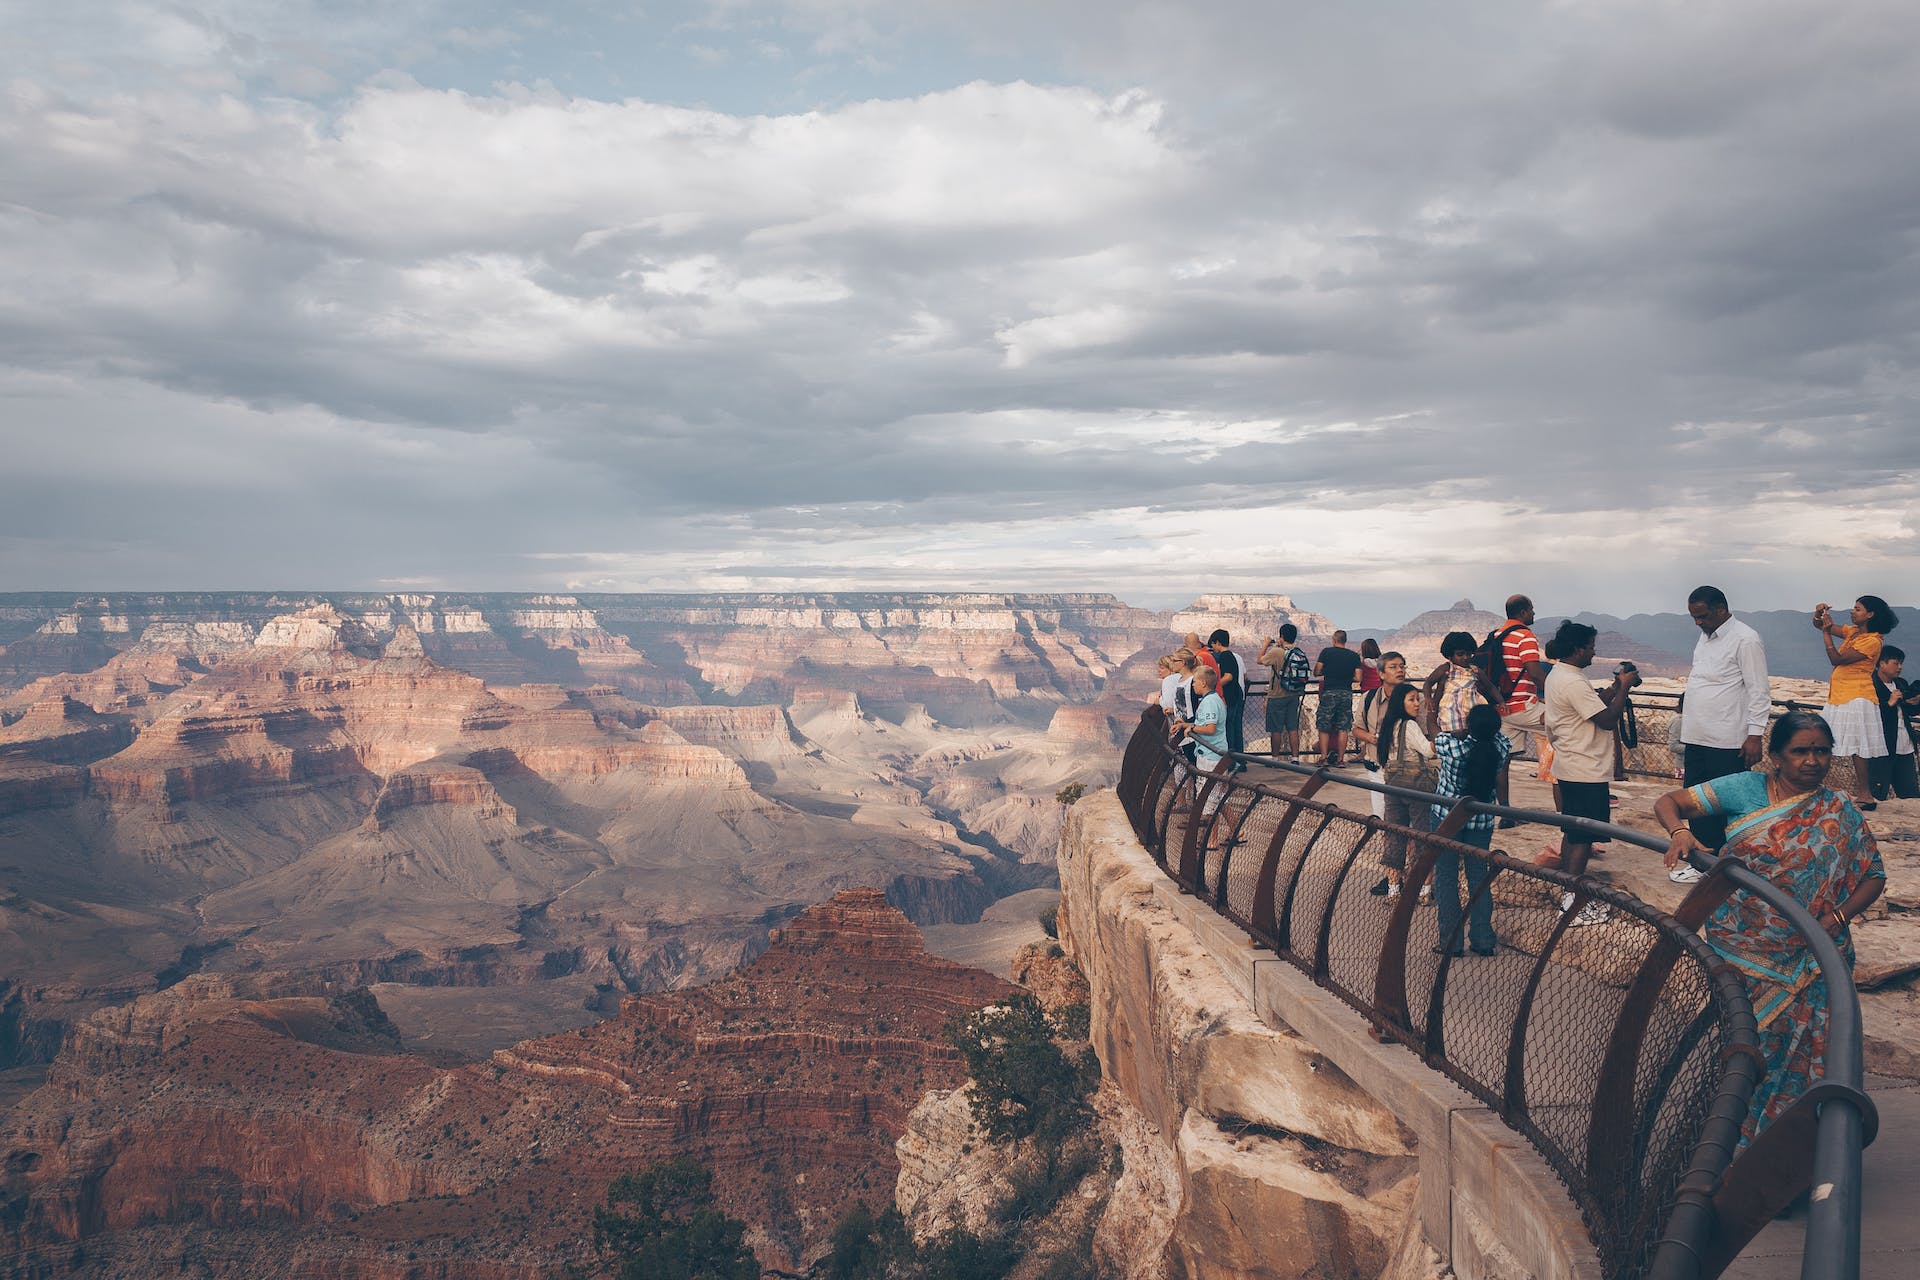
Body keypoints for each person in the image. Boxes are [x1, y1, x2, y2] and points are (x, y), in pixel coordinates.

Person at [1651, 710, 1886, 1142]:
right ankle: (1727, 1151)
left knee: (1808, 1057)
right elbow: (1669, 801)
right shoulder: (1744, 788)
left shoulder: (1839, 809)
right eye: (1800, 751)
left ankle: (1790, 1159)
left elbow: (1874, 874)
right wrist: (1679, 832)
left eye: (1821, 750)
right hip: (1742, 951)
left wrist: (1836, 917)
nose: (1813, 760)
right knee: (1744, 1052)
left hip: (1812, 957)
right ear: (1776, 756)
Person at [1542, 621, 1640, 926]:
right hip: (1585, 768)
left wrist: (1612, 689)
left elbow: (1589, 708)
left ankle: (1567, 898)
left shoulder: (1561, 674)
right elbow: (1608, 721)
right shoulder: (1573, 681)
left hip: (1571, 765)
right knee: (1583, 838)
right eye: (1591, 647)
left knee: (1573, 833)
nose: (1594, 653)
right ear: (1578, 649)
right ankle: (1572, 906)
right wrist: (1623, 688)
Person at [1673, 585, 1771, 879]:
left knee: (1724, 804)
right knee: (1696, 802)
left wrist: (1755, 734)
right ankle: (1701, 864)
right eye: (1693, 617)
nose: (1698, 623)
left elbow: (1758, 690)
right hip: (1696, 736)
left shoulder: (1745, 639)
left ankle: (1725, 868)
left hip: (1727, 739)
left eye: (1702, 616)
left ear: (1720, 609)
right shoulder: (1704, 639)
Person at [1429, 702, 1510, 956]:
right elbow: (1497, 746)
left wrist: (1452, 729)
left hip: (1447, 817)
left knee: (1446, 878)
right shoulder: (1502, 745)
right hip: (1482, 819)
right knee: (1479, 878)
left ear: (1468, 726)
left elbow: (1435, 734)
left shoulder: (1451, 746)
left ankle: (1450, 942)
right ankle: (1483, 939)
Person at [1815, 596, 1900, 809]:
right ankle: (1826, 789)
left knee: (1858, 748)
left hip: (1857, 696)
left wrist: (1826, 633)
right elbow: (1820, 625)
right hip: (1841, 695)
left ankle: (1865, 795)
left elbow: (1836, 659)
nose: (1853, 611)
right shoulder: (1853, 633)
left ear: (1870, 614)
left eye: (1857, 609)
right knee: (1832, 743)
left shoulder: (1872, 641)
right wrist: (1820, 616)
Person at [1369, 681, 1436, 899]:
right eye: (1412, 699)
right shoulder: (1410, 726)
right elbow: (1428, 752)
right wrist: (1440, 739)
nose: (1417, 704)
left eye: (1418, 699)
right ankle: (1423, 890)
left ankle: (1393, 889)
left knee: (1395, 836)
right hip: (1416, 788)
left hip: (1393, 787)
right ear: (1401, 702)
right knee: (1421, 836)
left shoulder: (1388, 726)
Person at [1489, 596, 1550, 821]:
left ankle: (1505, 813)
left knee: (1503, 762)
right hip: (1523, 706)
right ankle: (1570, 809)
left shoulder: (1497, 635)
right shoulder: (1524, 635)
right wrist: (1557, 696)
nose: (1534, 614)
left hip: (1502, 708)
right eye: (1532, 610)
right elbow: (1534, 672)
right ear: (1523, 612)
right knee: (1569, 728)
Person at [1870, 645, 1920, 800]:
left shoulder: (1901, 683)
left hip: (1905, 748)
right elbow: (1869, 714)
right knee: (1877, 795)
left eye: (1901, 663)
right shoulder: (1870, 685)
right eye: (1896, 663)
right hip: (1882, 749)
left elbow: (1909, 712)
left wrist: (1915, 703)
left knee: (1910, 795)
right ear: (1882, 663)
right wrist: (1889, 703)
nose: (1900, 667)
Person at [1423, 630, 1491, 742]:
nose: (1465, 657)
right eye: (1460, 654)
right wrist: (1428, 697)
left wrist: (1502, 702)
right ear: (1449, 655)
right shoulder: (1446, 669)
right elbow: (1428, 683)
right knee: (1453, 733)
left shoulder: (1474, 670)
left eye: (1469, 654)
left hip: (1471, 709)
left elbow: (1490, 686)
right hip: (1451, 710)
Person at [1258, 624, 1311, 757]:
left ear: (1281, 636)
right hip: (1293, 695)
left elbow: (1259, 660)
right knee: (1292, 729)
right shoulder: (1297, 651)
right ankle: (1295, 758)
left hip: (1277, 696)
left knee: (1276, 730)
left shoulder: (1276, 652)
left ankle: (1275, 759)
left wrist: (1265, 644)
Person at [1313, 630, 1364, 768]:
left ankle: (1323, 758)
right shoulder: (1354, 656)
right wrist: (1346, 677)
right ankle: (1340, 760)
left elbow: (1317, 671)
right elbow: (1358, 678)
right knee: (1343, 727)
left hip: (1329, 691)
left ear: (1334, 639)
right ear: (1345, 640)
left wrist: (1329, 672)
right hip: (1346, 693)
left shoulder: (1326, 652)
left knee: (1324, 726)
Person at [1172, 666, 1229, 773]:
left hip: (1211, 756)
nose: (1192, 685)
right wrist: (1184, 725)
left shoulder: (1210, 702)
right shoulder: (1211, 699)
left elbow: (1210, 729)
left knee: (1208, 788)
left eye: (1194, 681)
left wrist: (1192, 729)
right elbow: (1203, 723)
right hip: (1209, 753)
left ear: (1203, 683)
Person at [1209, 629, 1247, 766]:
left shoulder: (1225, 656)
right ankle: (1240, 760)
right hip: (1237, 694)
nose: (1212, 648)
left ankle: (1230, 762)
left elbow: (1228, 676)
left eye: (1213, 645)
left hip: (1230, 696)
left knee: (1228, 728)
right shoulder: (1231, 655)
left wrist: (1214, 685)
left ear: (1218, 643)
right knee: (1236, 728)